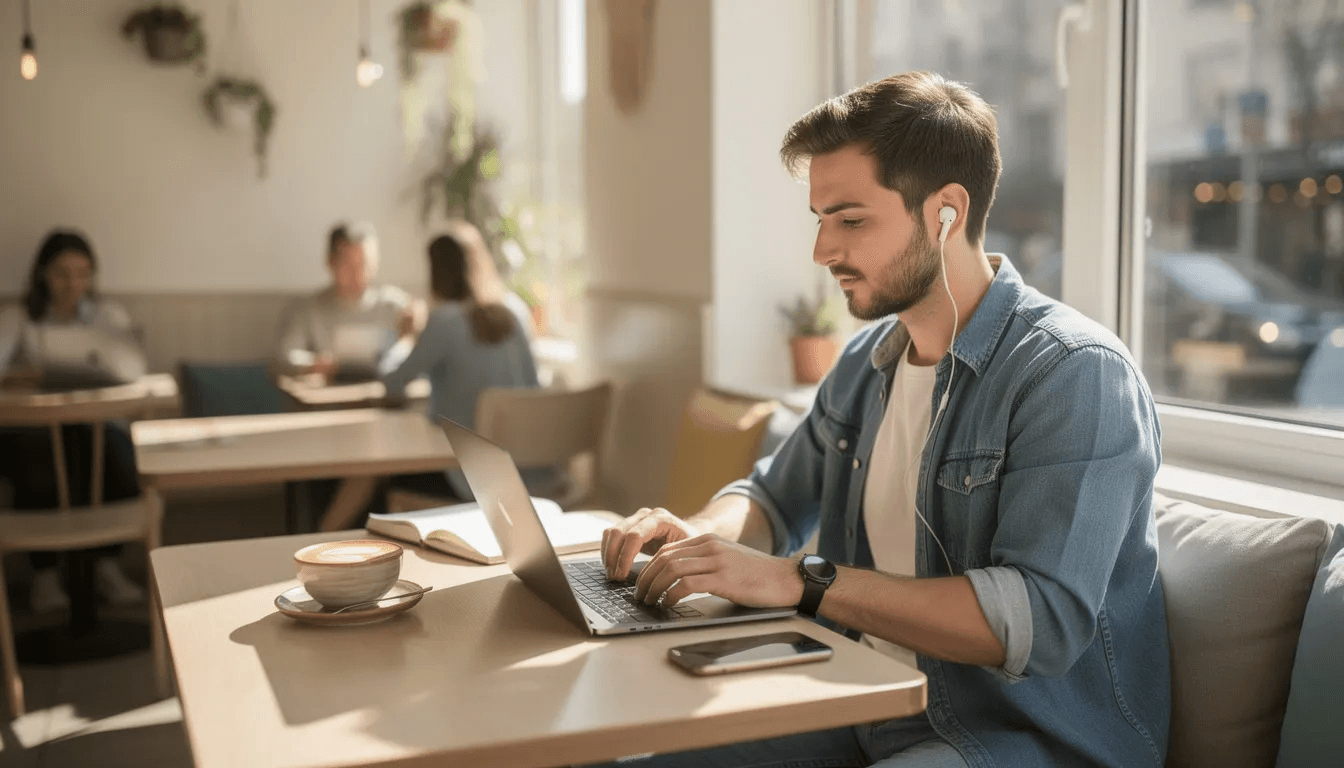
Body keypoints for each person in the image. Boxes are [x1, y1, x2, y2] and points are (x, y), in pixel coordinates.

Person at [597, 72, 1170, 767]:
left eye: (852, 219)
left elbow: (1038, 622)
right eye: (820, 220)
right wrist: (700, 541)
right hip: (863, 700)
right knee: (639, 754)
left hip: (1022, 741)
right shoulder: (869, 359)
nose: (822, 251)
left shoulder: (1074, 374)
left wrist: (803, 580)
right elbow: (773, 496)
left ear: (946, 213)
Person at [0, 230, 149, 612]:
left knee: (117, 455)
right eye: (62, 273)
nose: (72, 283)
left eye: (82, 273)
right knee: (41, 461)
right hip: (35, 429)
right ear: (42, 275)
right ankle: (46, 575)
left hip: (97, 425)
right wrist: (32, 374)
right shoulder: (19, 317)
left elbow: (131, 367)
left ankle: (105, 565)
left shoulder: (108, 316)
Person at [380, 221, 561, 501]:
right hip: (530, 476)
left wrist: (404, 338)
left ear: (436, 272)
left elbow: (392, 384)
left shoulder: (444, 321)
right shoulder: (515, 312)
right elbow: (533, 386)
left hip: (468, 480)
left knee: (381, 472)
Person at [275, 222, 417, 380]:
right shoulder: (307, 309)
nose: (358, 275)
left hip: (384, 397)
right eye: (348, 265)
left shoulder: (395, 305)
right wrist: (314, 364)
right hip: (327, 398)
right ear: (331, 262)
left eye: (364, 264)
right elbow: (284, 357)